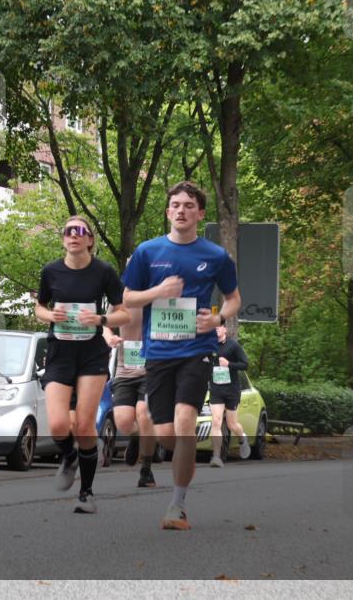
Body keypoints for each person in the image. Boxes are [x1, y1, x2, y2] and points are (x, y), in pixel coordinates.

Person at [122, 181, 241, 530]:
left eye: (189, 205)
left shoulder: (216, 256)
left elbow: (234, 298)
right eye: (175, 204)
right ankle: (172, 469)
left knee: (186, 420)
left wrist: (218, 318)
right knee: (167, 436)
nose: (181, 210)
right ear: (167, 212)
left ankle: (177, 505)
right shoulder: (147, 251)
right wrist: (159, 291)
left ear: (200, 214)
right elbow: (128, 298)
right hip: (158, 351)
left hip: (197, 349)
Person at [35, 217, 131, 514]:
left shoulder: (103, 271)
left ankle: (86, 493)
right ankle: (69, 457)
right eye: (68, 231)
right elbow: (39, 307)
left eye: (80, 232)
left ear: (90, 240)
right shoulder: (51, 271)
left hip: (91, 354)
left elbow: (124, 314)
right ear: (63, 239)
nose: (74, 236)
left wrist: (101, 320)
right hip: (60, 351)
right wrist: (49, 316)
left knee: (84, 425)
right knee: (59, 424)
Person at [105, 305, 158, 487]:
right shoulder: (119, 299)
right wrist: (109, 337)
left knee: (144, 413)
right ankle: (136, 436)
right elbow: (104, 324)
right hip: (125, 371)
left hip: (152, 370)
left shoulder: (158, 294)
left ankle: (146, 469)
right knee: (123, 423)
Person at [208, 324, 250, 467]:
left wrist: (229, 364)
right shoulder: (209, 346)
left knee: (232, 424)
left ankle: (242, 439)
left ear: (225, 329)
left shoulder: (233, 346)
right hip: (216, 389)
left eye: (219, 327)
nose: (216, 329)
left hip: (231, 389)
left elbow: (245, 364)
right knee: (216, 421)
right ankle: (216, 456)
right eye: (215, 328)